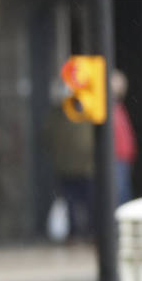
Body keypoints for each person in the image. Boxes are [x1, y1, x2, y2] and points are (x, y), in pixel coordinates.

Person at [44, 89, 95, 241]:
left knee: (87, 202)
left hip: (84, 167)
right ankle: (76, 233)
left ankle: (87, 232)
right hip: (67, 167)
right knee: (71, 203)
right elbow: (48, 137)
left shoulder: (87, 111)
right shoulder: (58, 115)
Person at [111, 70, 136, 206]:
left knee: (123, 196)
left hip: (122, 159)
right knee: (120, 197)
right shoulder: (110, 109)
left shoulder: (118, 107)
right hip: (117, 159)